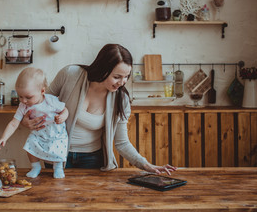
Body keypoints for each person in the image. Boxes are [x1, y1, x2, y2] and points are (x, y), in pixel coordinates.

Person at [21, 44, 177, 175]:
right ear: (103, 69)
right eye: (117, 77)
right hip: (56, 154)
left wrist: (146, 165)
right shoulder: (70, 75)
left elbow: (122, 143)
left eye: (126, 76)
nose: (122, 82)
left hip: (92, 159)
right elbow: (39, 103)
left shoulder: (121, 100)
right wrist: (25, 121)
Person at [0, 67, 69, 179]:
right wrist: (3, 138)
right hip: (39, 134)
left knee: (57, 151)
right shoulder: (23, 106)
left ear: (42, 91)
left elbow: (65, 109)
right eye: (20, 96)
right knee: (30, 146)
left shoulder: (51, 101)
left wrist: (63, 116)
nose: (24, 101)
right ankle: (35, 167)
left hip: (55, 134)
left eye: (28, 97)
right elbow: (14, 123)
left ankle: (58, 167)